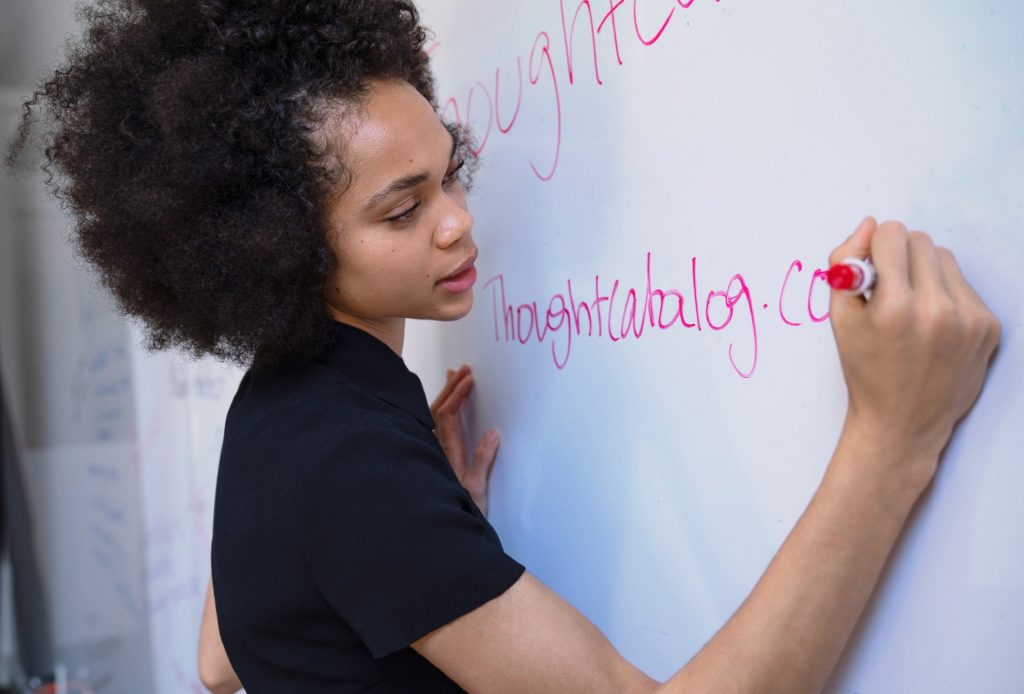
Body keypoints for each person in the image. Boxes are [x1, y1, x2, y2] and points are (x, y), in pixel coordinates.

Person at [5, 1, 1000, 692]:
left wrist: (409, 560)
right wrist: (890, 437)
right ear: (275, 249)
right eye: (403, 210)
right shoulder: (344, 455)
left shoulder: (284, 402)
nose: (458, 222)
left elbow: (222, 658)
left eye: (449, 173)